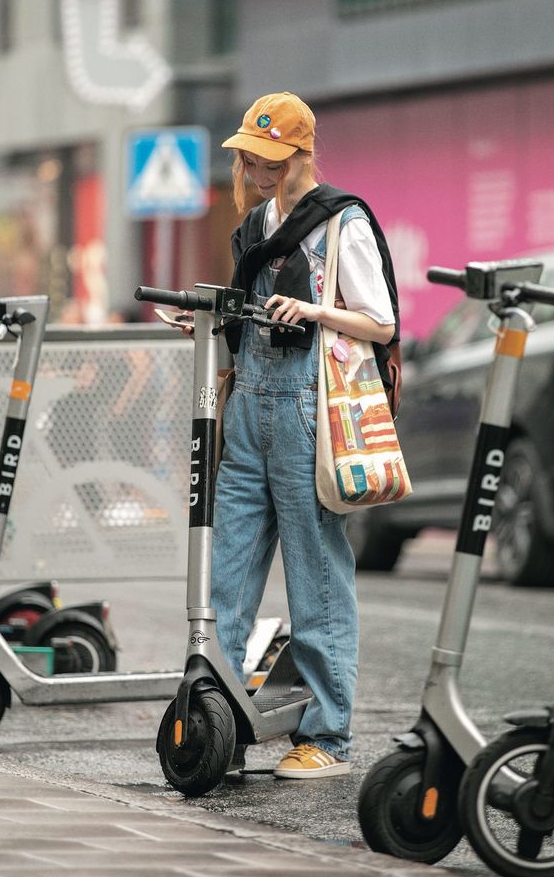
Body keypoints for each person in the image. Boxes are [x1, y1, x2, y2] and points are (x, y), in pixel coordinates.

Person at [211, 91, 400, 780]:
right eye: (249, 158)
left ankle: (329, 737)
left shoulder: (339, 221)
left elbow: (379, 321)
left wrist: (315, 310)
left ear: (301, 153)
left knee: (316, 576)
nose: (257, 170)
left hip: (305, 410)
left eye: (268, 159)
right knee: (225, 578)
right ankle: (215, 719)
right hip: (248, 415)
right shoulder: (257, 221)